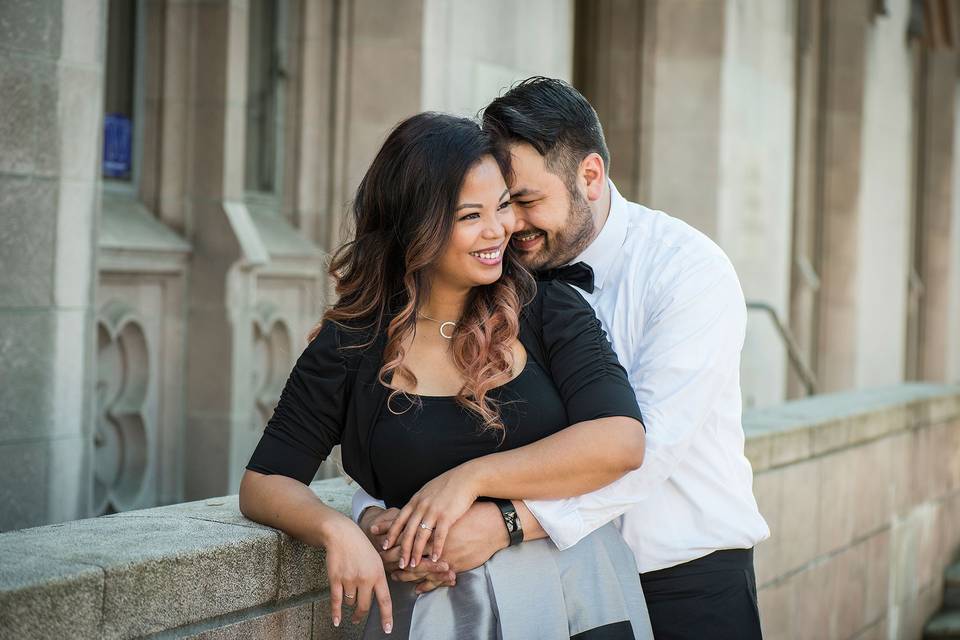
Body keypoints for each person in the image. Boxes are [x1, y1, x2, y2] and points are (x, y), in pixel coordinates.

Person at [354, 78, 771, 639]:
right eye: (502, 203)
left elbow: (649, 447)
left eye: (525, 201)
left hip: (684, 584)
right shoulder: (491, 278)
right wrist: (373, 510)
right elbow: (414, 415)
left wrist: (505, 522)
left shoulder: (688, 270)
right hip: (551, 588)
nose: (511, 226)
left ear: (590, 177)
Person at [239, 112, 653, 639]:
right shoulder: (350, 343)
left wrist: (469, 481)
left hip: (573, 602)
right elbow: (265, 480)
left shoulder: (549, 308)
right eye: (470, 216)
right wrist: (338, 529)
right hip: (434, 618)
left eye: (502, 206)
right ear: (417, 228)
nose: (498, 230)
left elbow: (620, 441)